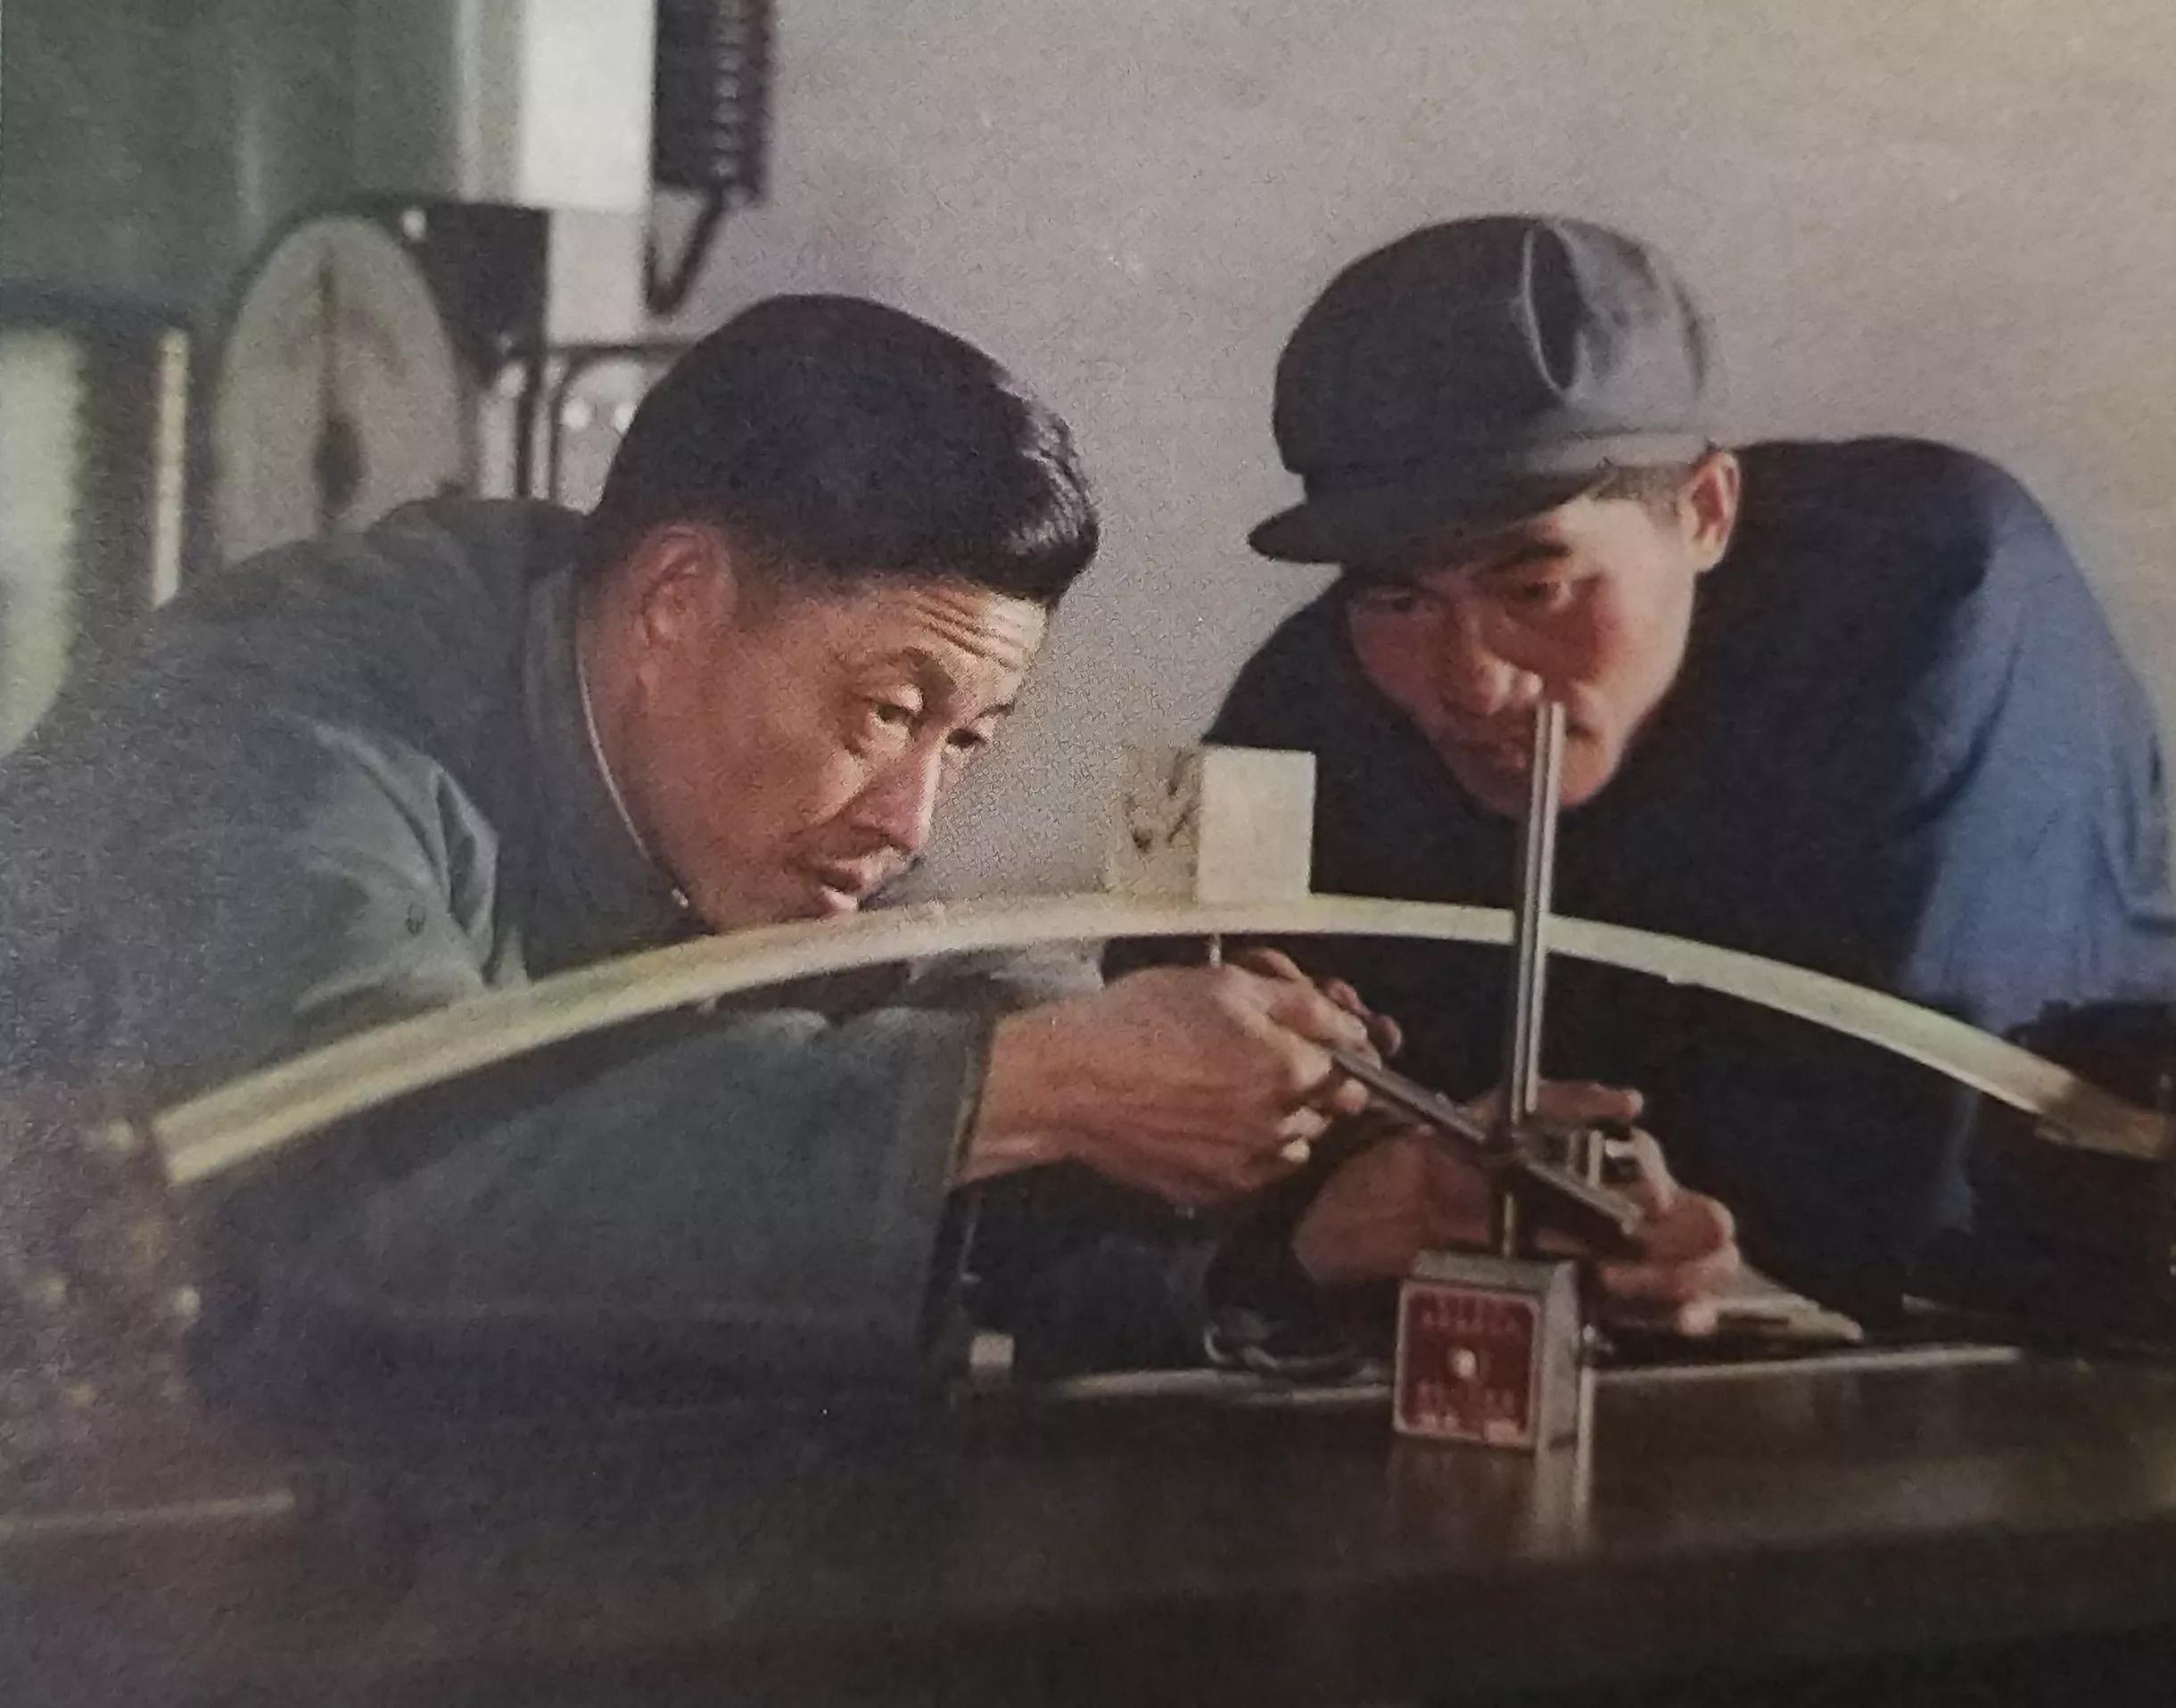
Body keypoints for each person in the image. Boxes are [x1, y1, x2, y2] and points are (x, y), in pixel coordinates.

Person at [0, 293, 1731, 1411]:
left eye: (965, 742)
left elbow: (870, 1131)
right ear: (675, 600)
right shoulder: (267, 726)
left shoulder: (728, 797)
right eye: (885, 710)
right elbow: (368, 1184)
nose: (910, 823)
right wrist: (1029, 1087)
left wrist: (1321, 1223)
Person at [1195, 214, 2176, 1316]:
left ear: (1704, 513)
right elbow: (1149, 1176)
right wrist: (1329, 1203)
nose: (1470, 680)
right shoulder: (1324, 681)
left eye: (1535, 588)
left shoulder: (1928, 600)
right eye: (1397, 593)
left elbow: (1907, 1216)